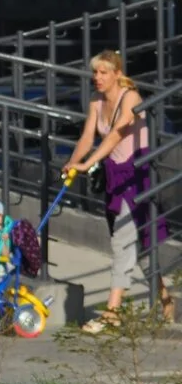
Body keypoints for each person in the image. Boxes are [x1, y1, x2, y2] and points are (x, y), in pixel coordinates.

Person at [64, 49, 173, 333]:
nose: (97, 77)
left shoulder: (131, 98)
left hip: (137, 175)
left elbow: (114, 136)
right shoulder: (97, 100)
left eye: (103, 72)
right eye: (95, 72)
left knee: (122, 243)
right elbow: (89, 135)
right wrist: (75, 161)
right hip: (114, 175)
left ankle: (112, 312)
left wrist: (89, 161)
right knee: (143, 249)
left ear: (117, 74)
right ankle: (165, 299)